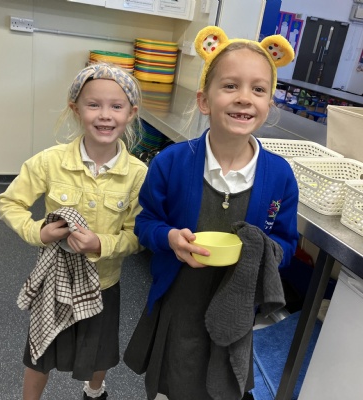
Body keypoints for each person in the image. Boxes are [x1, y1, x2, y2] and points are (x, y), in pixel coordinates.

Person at [124, 26, 298, 400]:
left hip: (238, 309)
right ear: (204, 100)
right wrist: (169, 238)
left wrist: (262, 253)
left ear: (269, 104)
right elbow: (145, 223)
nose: (245, 98)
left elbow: (286, 243)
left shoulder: (280, 176)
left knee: (223, 384)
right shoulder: (171, 163)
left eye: (258, 89)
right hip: (180, 302)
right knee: (176, 380)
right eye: (230, 86)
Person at [0, 62, 147, 400]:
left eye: (116, 106)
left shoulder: (138, 175)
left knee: (101, 353)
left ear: (131, 113)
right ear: (76, 109)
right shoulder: (49, 162)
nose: (104, 115)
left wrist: (101, 243)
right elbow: (9, 202)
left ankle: (94, 391)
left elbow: (137, 235)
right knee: (40, 353)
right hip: (55, 282)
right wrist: (38, 232)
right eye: (93, 104)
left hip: (104, 284)